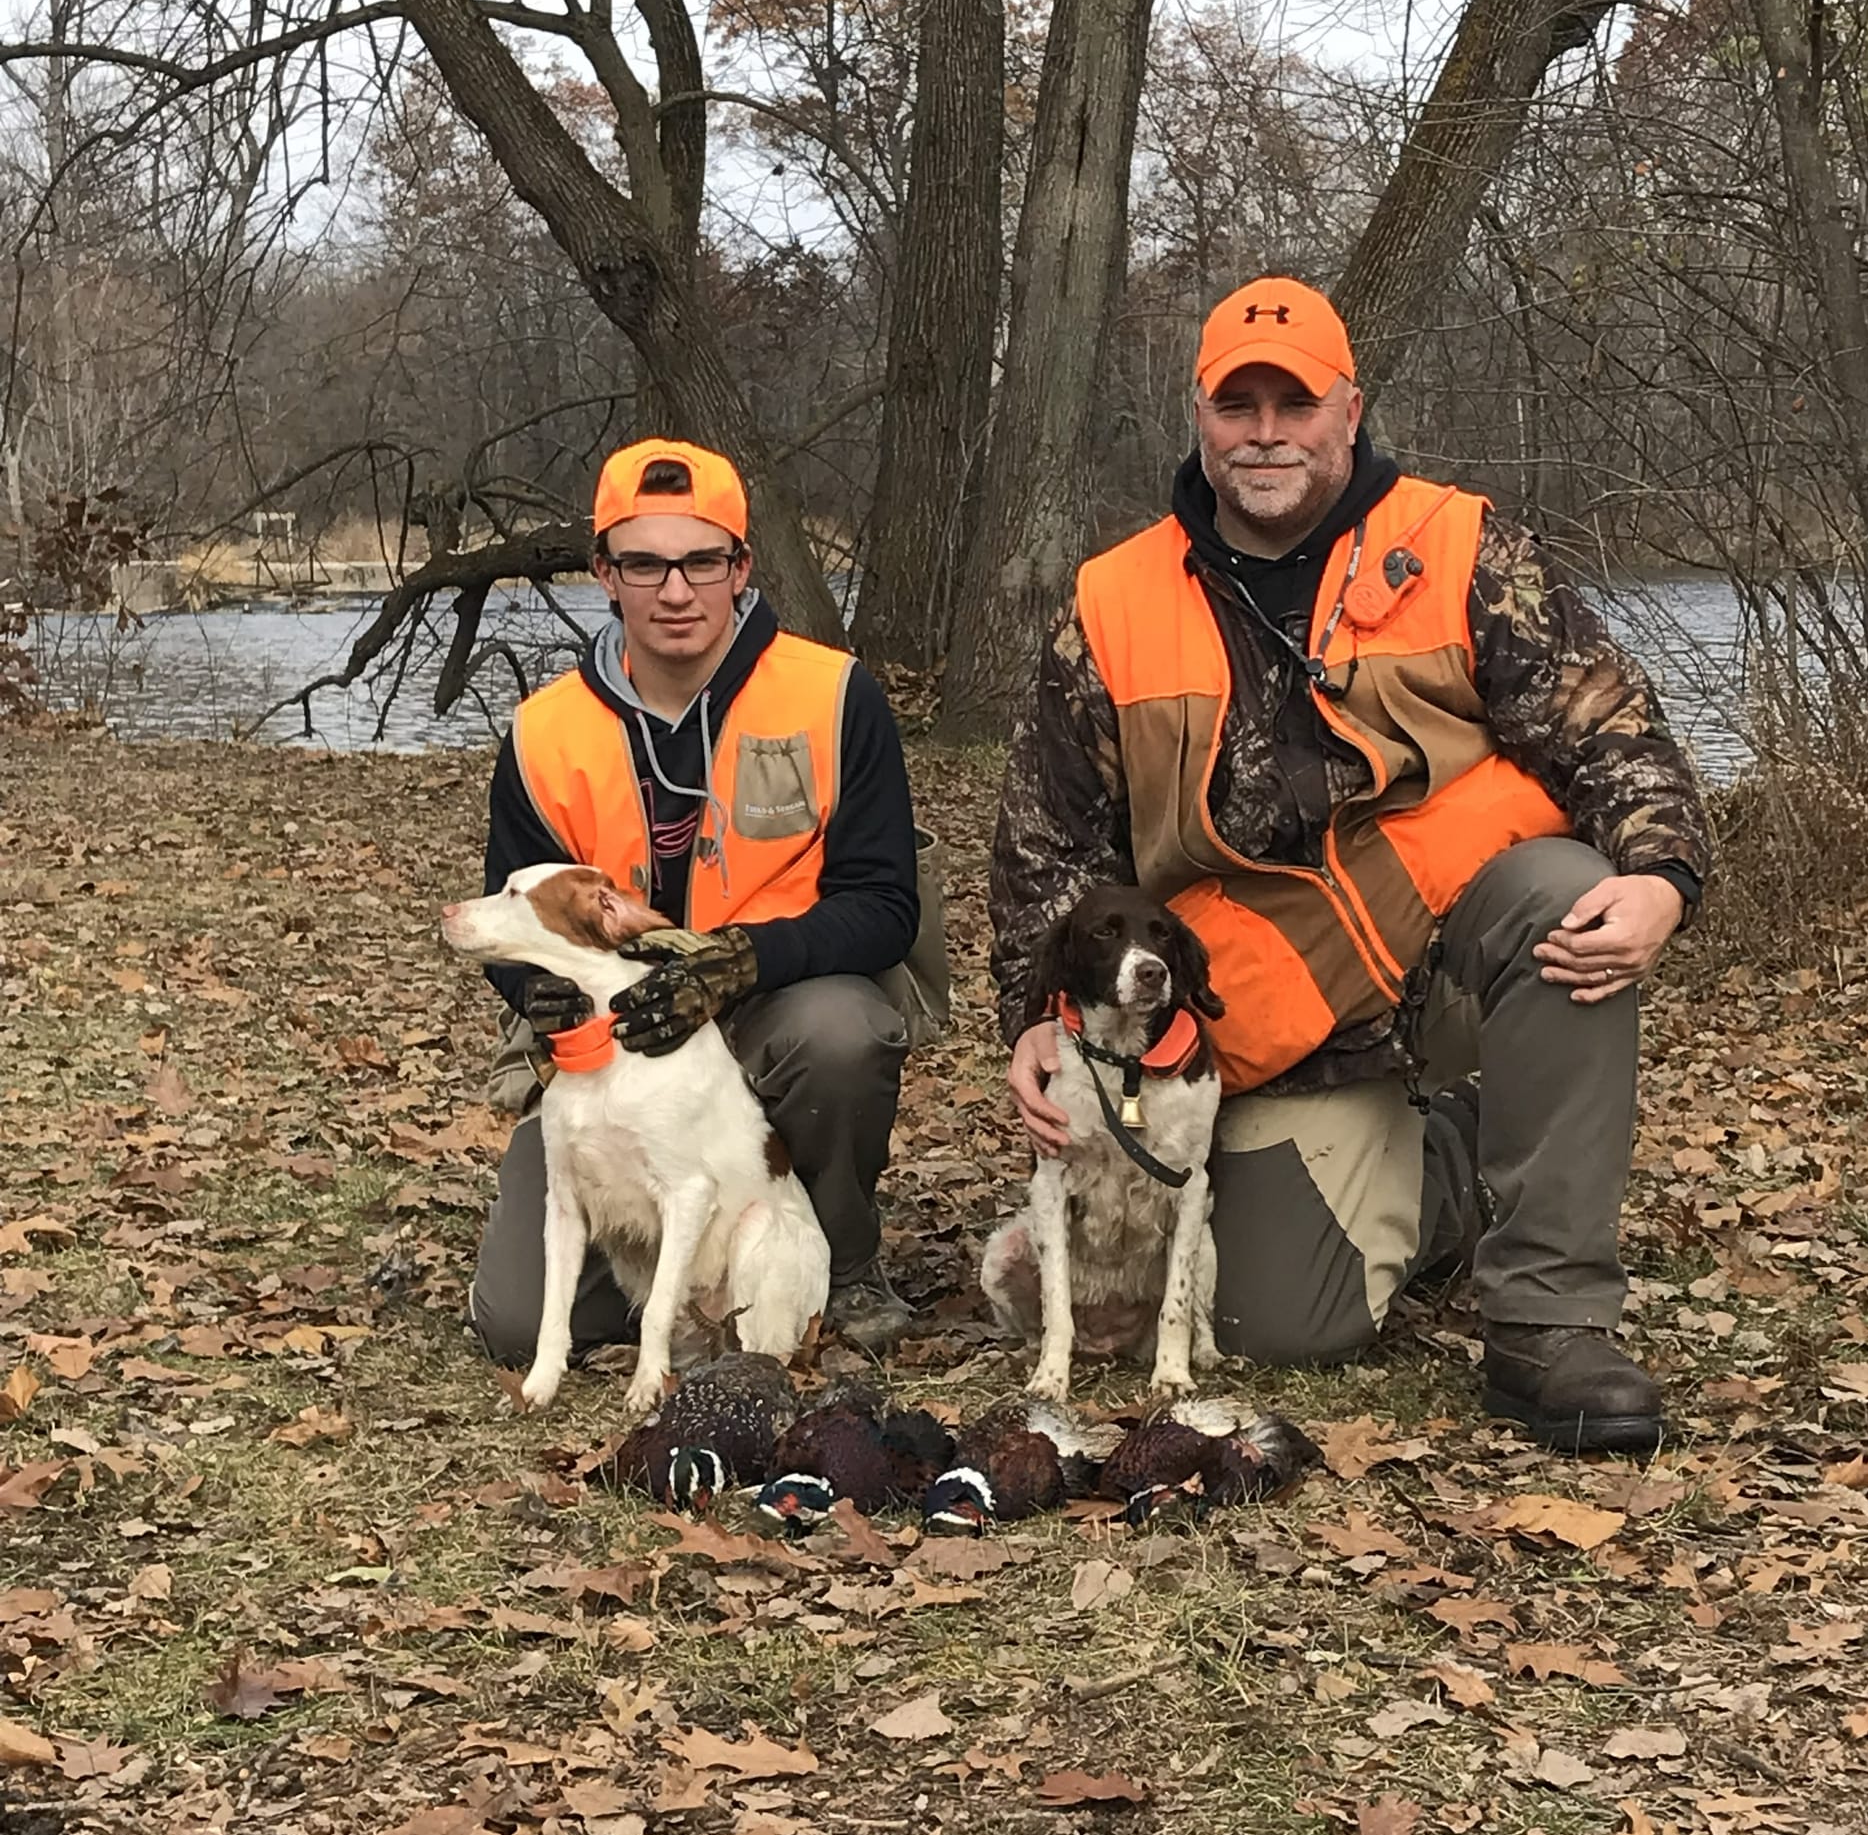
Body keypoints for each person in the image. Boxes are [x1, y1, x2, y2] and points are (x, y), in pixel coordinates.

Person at [990, 277, 1712, 1453]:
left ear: (1349, 411)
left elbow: (1604, 723)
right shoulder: (1113, 600)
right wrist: (1031, 1015)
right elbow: (1047, 844)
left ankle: (1548, 1318)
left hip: (1453, 957)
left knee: (1567, 898)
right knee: (1281, 1320)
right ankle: (1456, 1161)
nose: (1265, 432)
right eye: (1237, 405)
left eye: (1295, 403)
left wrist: (1659, 874)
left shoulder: (1457, 546)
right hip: (1265, 1010)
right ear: (1198, 418)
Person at [470, 436, 921, 1356]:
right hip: (614, 1047)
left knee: (843, 1034)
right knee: (517, 1323)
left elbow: (885, 905)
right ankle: (672, 1273)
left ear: (741, 568)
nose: (676, 591)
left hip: (776, 1010)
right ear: (604, 573)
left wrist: (746, 959)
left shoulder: (834, 694)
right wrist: (538, 992)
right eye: (645, 564)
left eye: (701, 561)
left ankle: (837, 1255)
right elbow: (512, 921)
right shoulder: (543, 734)